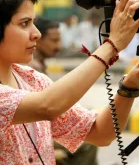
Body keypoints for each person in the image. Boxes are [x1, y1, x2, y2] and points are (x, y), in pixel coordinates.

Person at [0, 0, 139, 165]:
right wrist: (112, 45)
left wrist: (129, 86)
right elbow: (47, 106)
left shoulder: (33, 80)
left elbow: (100, 133)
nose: (36, 34)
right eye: (24, 23)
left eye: (33, 22)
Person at [29, 17, 99, 165]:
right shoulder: (31, 67)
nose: (59, 46)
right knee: (87, 144)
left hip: (44, 131)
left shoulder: (38, 64)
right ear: (38, 40)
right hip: (35, 136)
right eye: (54, 41)